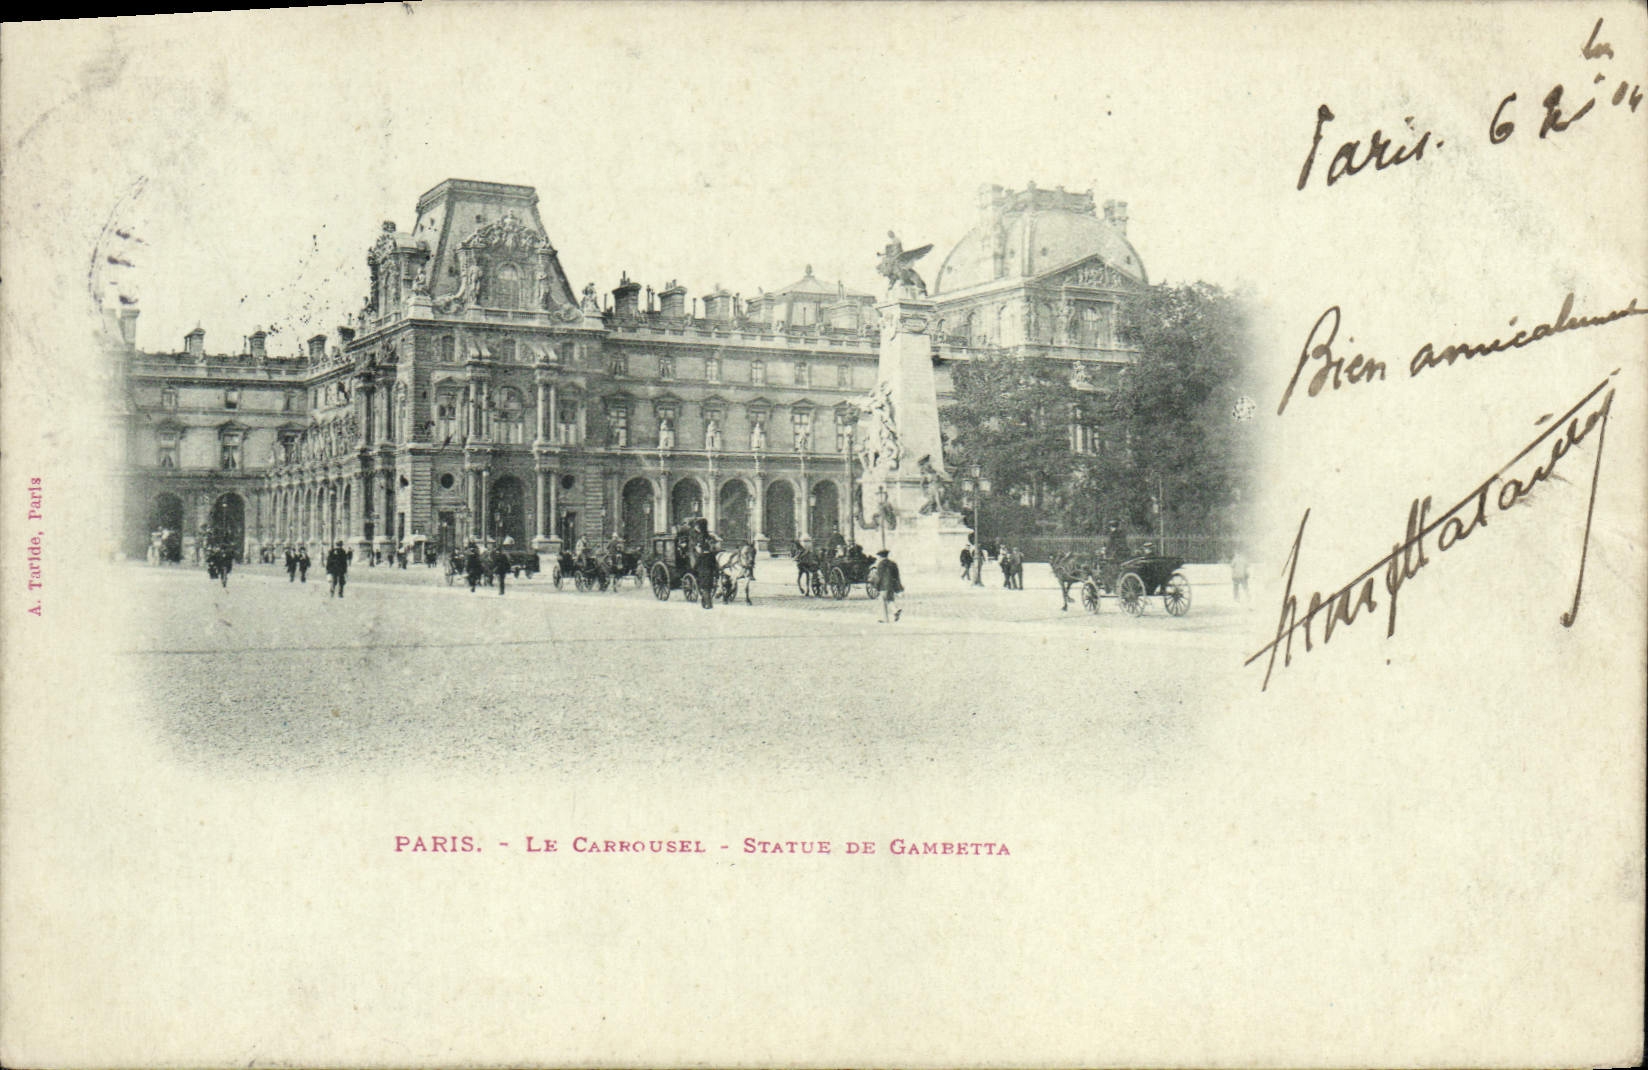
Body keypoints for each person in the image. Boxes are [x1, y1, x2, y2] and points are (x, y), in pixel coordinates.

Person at [872, 548, 903, 623]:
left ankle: (883, 618)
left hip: (884, 586)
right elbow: (897, 576)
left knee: (882, 601)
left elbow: (879, 577)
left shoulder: (880, 565)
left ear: (880, 556)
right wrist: (898, 587)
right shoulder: (893, 564)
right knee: (890, 599)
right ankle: (895, 611)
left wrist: (876, 586)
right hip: (891, 585)